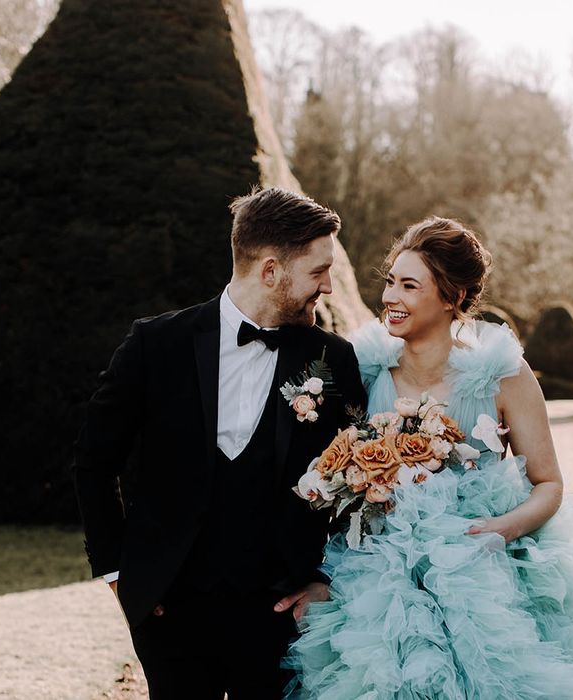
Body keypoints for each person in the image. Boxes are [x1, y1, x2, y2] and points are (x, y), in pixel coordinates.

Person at [284, 216, 573, 699]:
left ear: (452, 296)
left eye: (409, 285)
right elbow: (332, 473)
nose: (390, 297)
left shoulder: (502, 377)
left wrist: (504, 528)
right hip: (381, 583)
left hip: (485, 576)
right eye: (390, 282)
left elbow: (549, 483)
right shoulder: (361, 370)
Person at [72, 186, 366, 700]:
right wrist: (121, 572)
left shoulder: (334, 360)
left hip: (280, 612)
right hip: (169, 610)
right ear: (270, 271)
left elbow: (357, 479)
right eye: (319, 272)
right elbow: (94, 462)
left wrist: (324, 577)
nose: (328, 288)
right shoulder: (155, 345)